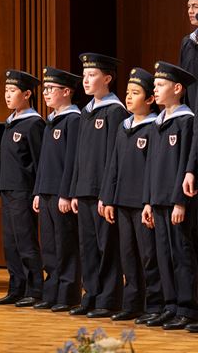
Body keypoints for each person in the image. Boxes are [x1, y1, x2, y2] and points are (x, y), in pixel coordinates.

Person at [100, 68, 163, 323]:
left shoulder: (154, 127)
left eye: (135, 93)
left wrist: (149, 200)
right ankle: (132, 303)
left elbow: (154, 169)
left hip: (142, 202)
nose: (128, 97)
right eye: (127, 92)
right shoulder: (123, 126)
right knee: (127, 254)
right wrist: (108, 198)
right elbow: (113, 165)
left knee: (148, 255)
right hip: (122, 200)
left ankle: (154, 305)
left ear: (150, 99)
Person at [69, 53, 128, 318]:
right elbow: (79, 156)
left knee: (107, 247)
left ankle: (108, 299)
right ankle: (90, 295)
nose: (86, 80)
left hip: (102, 192)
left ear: (107, 78)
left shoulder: (115, 112)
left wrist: (108, 194)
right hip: (84, 191)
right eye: (84, 75)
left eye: (92, 75)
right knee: (88, 246)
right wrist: (74, 191)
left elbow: (115, 158)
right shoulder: (86, 112)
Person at [142, 62, 198, 330]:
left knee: (181, 254)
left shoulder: (186, 121)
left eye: (160, 84)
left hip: (176, 202)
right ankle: (170, 305)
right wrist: (148, 201)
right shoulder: (158, 123)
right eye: (154, 84)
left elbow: (186, 164)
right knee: (163, 255)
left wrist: (180, 201)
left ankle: (188, 307)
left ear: (177, 88)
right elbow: (151, 166)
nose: (155, 88)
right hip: (158, 200)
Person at [31, 67, 82, 312]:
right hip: (46, 192)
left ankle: (68, 295)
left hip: (61, 194)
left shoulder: (74, 120)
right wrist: (38, 191)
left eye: (51, 88)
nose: (46, 93)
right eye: (45, 89)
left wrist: (66, 193)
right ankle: (51, 292)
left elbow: (72, 161)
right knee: (50, 246)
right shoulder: (51, 120)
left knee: (66, 245)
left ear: (67, 91)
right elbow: (43, 161)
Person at [0, 70, 45, 308]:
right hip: (8, 189)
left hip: (24, 191)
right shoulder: (10, 122)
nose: (7, 95)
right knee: (10, 243)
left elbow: (39, 162)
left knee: (26, 241)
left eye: (12, 91)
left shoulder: (33, 124)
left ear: (26, 94)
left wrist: (37, 192)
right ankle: (16, 287)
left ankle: (35, 289)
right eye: (6, 91)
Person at [179, 0, 198, 111]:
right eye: (188, 7)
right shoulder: (187, 42)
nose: (190, 11)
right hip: (191, 110)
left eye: (195, 6)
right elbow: (182, 80)